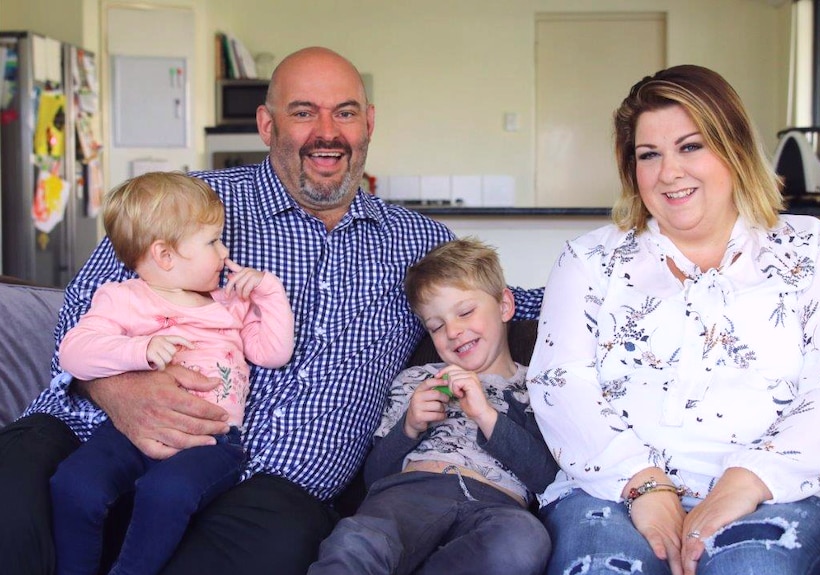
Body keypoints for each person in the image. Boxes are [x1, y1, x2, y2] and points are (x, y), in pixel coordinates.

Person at [0, 46, 543, 575]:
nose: (327, 132)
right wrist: (120, 392)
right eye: (304, 112)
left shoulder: (416, 241)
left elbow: (497, 300)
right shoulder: (195, 203)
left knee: (268, 547)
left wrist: (612, 291)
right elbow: (81, 310)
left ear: (368, 124)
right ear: (266, 124)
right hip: (97, 434)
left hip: (275, 487)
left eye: (346, 112)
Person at [526, 63, 820, 575]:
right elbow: (559, 383)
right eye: (649, 155)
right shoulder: (588, 261)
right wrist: (645, 484)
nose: (669, 173)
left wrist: (745, 481)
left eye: (691, 146)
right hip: (614, 490)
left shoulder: (811, 248)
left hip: (789, 491)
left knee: (752, 568)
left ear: (734, 148)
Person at [48, 171, 295, 575]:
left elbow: (273, 352)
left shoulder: (229, 304)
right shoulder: (123, 299)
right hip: (130, 432)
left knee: (167, 492)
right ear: (165, 256)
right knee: (73, 484)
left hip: (210, 439)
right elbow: (73, 353)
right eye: (213, 241)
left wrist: (270, 294)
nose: (224, 250)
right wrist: (138, 350)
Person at [308, 238, 556, 575]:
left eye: (466, 311)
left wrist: (486, 415)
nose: (453, 331)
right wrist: (408, 426)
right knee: (356, 539)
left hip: (497, 506)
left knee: (524, 541)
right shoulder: (416, 380)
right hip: (408, 495)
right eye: (436, 326)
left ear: (504, 306)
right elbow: (375, 477)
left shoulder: (538, 388)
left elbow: (546, 477)